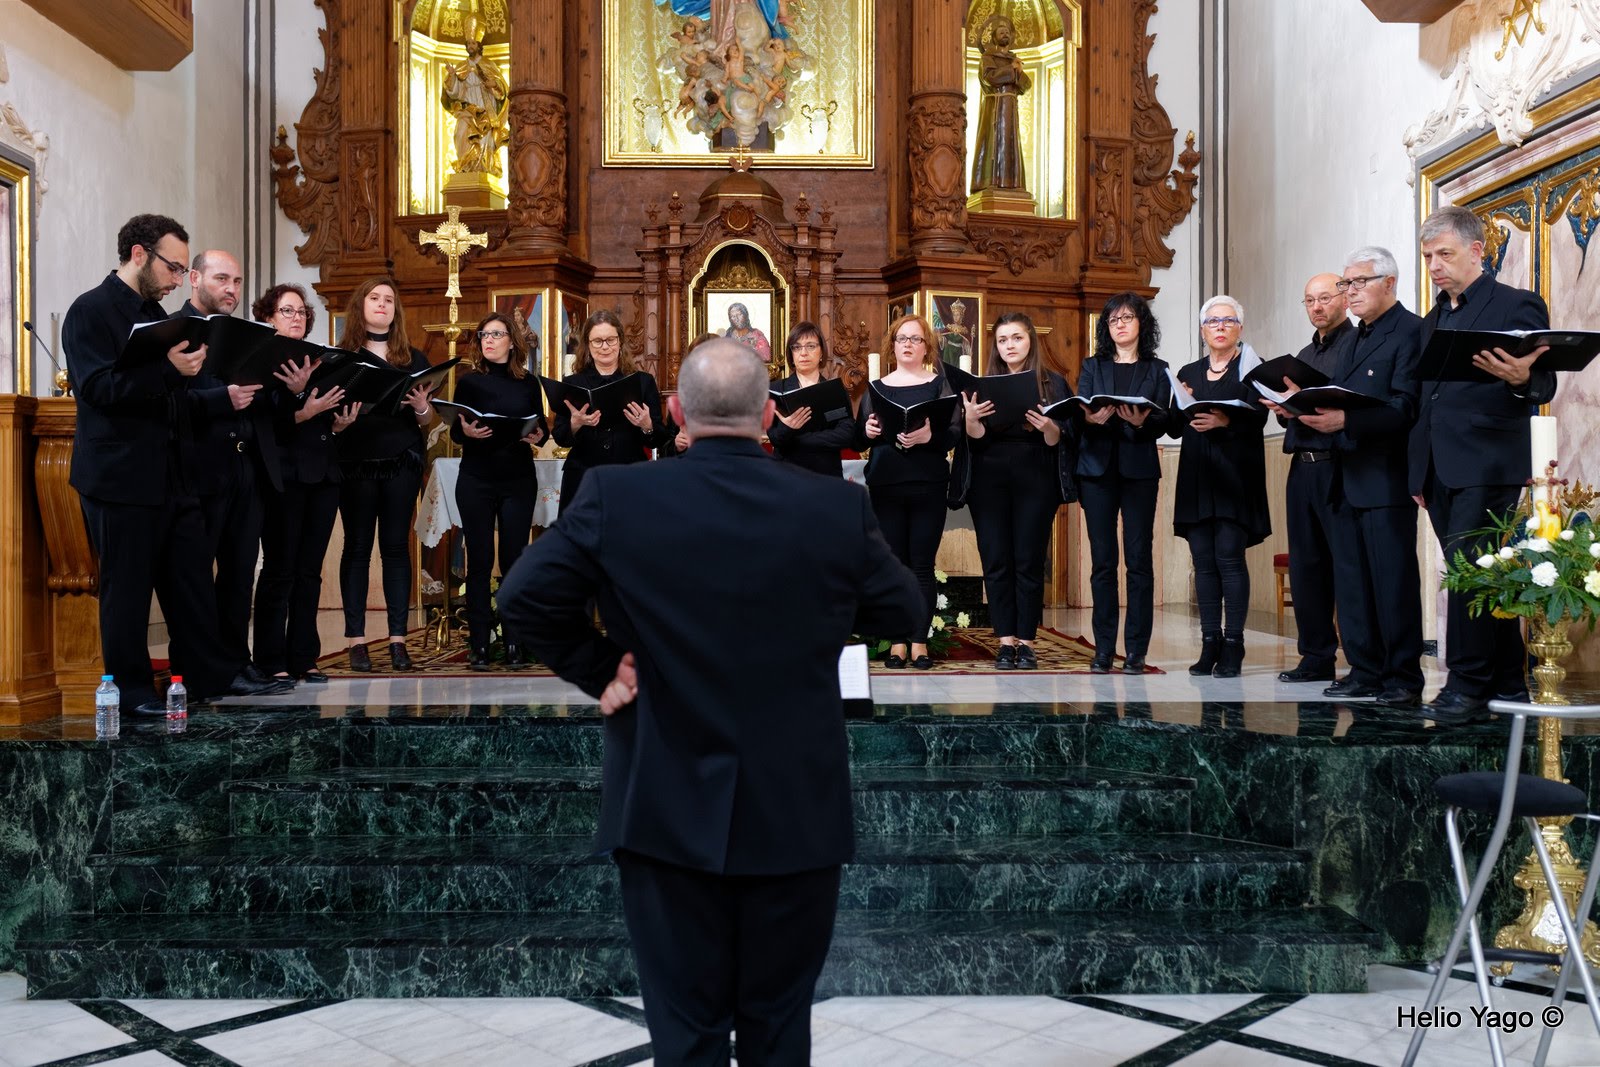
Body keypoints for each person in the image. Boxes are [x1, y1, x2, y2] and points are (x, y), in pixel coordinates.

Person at [498, 338, 920, 1067]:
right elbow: (906, 611)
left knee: (685, 1031)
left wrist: (602, 667)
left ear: (677, 412)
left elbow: (522, 598)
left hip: (663, 798)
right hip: (795, 808)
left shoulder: (619, 495)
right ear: (766, 411)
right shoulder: (832, 506)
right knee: (778, 1025)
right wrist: (817, 619)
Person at [64, 214, 278, 714]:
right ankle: (132, 695)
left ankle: (208, 677)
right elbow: (96, 390)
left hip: (173, 474)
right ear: (139, 254)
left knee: (191, 586)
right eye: (174, 268)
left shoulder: (160, 317)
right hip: (119, 477)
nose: (179, 280)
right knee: (128, 593)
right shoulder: (90, 311)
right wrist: (168, 370)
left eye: (183, 270)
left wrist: (209, 393)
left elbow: (173, 399)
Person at [1410, 205, 1556, 716]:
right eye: (1428, 256)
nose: (1434, 265)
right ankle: (1508, 681)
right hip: (1438, 467)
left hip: (1488, 460)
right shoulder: (1432, 320)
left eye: (1444, 254)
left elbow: (1544, 380)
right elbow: (1424, 401)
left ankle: (1466, 685)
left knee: (1470, 574)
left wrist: (1521, 379)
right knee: (1477, 573)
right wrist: (1417, 469)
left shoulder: (1516, 305)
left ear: (1477, 251)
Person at [1292, 248, 1425, 708]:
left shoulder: (1411, 332)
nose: (1350, 293)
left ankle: (1403, 676)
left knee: (1392, 582)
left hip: (1385, 477)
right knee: (1352, 581)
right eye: (1346, 284)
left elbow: (1406, 406)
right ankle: (1364, 669)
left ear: (1389, 282)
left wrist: (1346, 422)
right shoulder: (1353, 338)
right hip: (1344, 474)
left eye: (1358, 283)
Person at [178, 249, 288, 690]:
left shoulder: (247, 334)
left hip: (247, 465)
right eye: (222, 278)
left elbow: (260, 397)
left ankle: (235, 663)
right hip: (202, 466)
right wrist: (223, 398)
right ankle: (198, 672)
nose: (231, 289)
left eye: (238, 281)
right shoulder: (177, 330)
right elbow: (175, 401)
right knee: (196, 578)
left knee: (240, 573)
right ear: (194, 279)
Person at [251, 284, 355, 685]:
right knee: (281, 569)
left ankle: (304, 656)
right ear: (269, 316)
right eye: (287, 311)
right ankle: (270, 658)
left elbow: (322, 415)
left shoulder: (319, 358)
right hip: (284, 475)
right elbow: (264, 423)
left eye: (301, 312)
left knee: (310, 571)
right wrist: (301, 407)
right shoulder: (260, 357)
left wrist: (337, 422)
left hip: (324, 472)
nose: (296, 318)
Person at [960, 312, 1074, 670]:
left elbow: (1063, 439)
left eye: (1017, 338)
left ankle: (1026, 641)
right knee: (996, 559)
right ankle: (1004, 641)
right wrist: (971, 420)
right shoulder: (981, 385)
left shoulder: (1053, 384)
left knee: (1028, 560)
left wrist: (1050, 428)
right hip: (989, 476)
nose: (1010, 345)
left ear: (1031, 341)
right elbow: (974, 440)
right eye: (1003, 340)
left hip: (1035, 474)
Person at [335, 277, 437, 673]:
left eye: (389, 300)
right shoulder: (342, 358)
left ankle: (398, 639)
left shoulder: (413, 358)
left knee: (395, 548)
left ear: (396, 310)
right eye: (375, 298)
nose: (382, 305)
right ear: (361, 306)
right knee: (357, 547)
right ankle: (357, 641)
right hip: (355, 459)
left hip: (401, 458)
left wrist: (422, 406)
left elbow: (427, 421)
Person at [1168, 296, 1270, 678]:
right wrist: (1179, 404)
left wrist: (1225, 422)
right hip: (1197, 476)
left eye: (1228, 320)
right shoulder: (1189, 371)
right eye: (1212, 321)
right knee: (1203, 562)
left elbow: (1259, 418)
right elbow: (1174, 426)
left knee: (1229, 557)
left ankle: (1234, 643)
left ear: (1239, 328)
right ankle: (1209, 641)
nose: (1220, 326)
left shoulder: (1253, 369)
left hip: (1235, 476)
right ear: (1202, 330)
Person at [857, 313, 963, 670]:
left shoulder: (938, 385)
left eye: (915, 339)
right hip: (886, 482)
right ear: (892, 345)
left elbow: (953, 433)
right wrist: (869, 431)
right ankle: (898, 641)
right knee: (895, 565)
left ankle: (919, 642)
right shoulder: (878, 387)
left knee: (921, 564)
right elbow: (861, 434)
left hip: (928, 482)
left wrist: (930, 436)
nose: (907, 344)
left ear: (926, 347)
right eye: (901, 338)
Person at [1074, 293, 1172, 674]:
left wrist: (1140, 422)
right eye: (1113, 319)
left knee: (1138, 561)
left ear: (1141, 324)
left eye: (1128, 318)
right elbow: (1081, 409)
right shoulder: (1092, 365)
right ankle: (1103, 649)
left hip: (1138, 472)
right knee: (1103, 562)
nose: (1120, 324)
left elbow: (1164, 418)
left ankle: (1136, 651)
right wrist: (1090, 419)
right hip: (1097, 471)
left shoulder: (1157, 368)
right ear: (1106, 327)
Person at [1267, 274, 1354, 685]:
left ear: (1344, 298)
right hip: (1301, 465)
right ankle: (1315, 655)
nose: (1317, 307)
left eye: (1324, 298)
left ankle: (1358, 658)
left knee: (1346, 564)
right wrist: (1287, 407)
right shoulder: (1304, 353)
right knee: (1307, 565)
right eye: (1309, 301)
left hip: (1337, 463)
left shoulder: (1355, 346)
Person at [448, 311, 548, 669]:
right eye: (483, 335)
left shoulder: (528, 383)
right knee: (479, 562)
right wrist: (467, 434)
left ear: (511, 341)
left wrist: (538, 435)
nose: (488, 340)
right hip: (476, 477)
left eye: (495, 334)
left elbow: (542, 429)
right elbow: (456, 430)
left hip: (517, 479)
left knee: (514, 561)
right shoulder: (469, 381)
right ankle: (478, 644)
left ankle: (514, 644)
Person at [552, 309, 665, 506]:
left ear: (620, 341)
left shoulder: (643, 382)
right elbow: (561, 438)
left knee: (627, 536)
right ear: (588, 344)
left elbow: (660, 438)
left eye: (611, 340)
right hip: (583, 478)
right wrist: (575, 424)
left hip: (630, 476)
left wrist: (647, 425)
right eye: (597, 341)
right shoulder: (572, 383)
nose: (605, 347)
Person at [766, 321, 854, 477]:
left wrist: (798, 439)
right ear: (791, 355)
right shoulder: (775, 389)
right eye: (797, 347)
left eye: (811, 346)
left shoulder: (835, 390)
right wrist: (787, 428)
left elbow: (846, 434)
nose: (803, 353)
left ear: (821, 353)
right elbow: (775, 438)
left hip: (826, 474)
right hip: (787, 475)